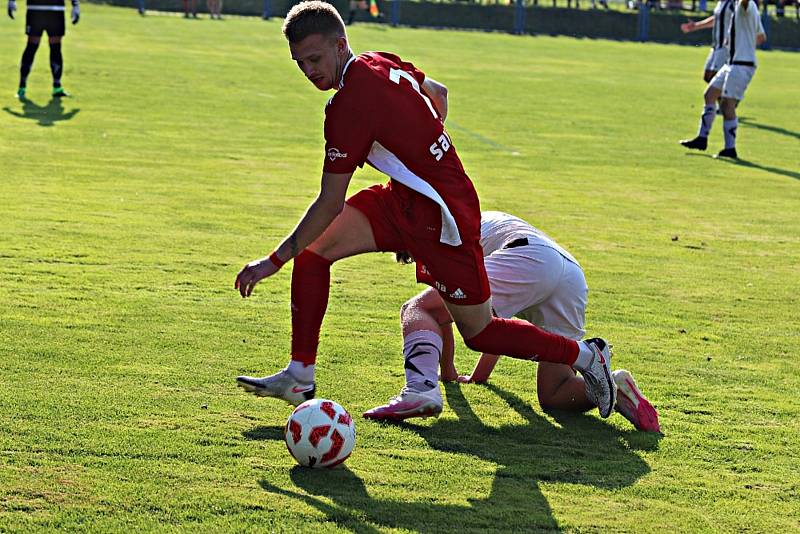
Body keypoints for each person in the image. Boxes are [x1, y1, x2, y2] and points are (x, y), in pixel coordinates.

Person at [234, 1, 616, 419]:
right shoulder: (377, 61)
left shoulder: (348, 106)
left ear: (340, 44)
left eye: (314, 59)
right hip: (407, 201)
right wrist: (425, 158)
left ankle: (584, 356)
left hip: (443, 216)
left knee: (480, 331)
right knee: (315, 251)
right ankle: (300, 376)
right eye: (299, 63)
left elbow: (329, 203)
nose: (309, 71)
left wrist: (271, 262)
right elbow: (439, 93)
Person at [363, 211, 660, 432]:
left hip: (529, 257)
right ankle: (612, 384)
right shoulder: (479, 218)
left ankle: (419, 389)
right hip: (569, 274)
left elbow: (451, 314)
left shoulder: (442, 234)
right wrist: (470, 375)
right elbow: (495, 326)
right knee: (555, 394)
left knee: (418, 308)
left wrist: (451, 372)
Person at [680, 0, 766, 159]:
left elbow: (759, 35)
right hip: (731, 63)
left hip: (741, 64)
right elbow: (762, 36)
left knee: (727, 104)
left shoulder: (744, 5)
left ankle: (730, 149)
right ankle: (702, 138)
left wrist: (744, 48)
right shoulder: (738, 7)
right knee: (710, 94)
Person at [7, 0, 80, 99]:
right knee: (32, 46)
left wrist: (76, 5)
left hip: (56, 10)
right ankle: (22, 87)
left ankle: (57, 87)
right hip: (35, 10)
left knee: (56, 48)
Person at [680, 0, 734, 83]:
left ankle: (729, 94)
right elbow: (716, 19)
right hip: (716, 46)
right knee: (707, 76)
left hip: (725, 47)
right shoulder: (721, 3)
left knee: (715, 79)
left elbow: (740, 21)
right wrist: (695, 26)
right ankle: (726, 94)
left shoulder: (733, 3)